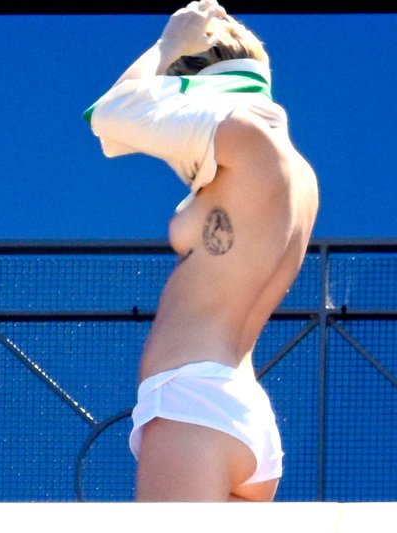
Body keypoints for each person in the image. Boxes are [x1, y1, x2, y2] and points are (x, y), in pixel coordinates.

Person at [83, 0, 319, 502]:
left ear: (191, 84)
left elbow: (112, 116)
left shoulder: (238, 129)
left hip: (193, 403)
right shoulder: (295, 171)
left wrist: (169, 44)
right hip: (237, 409)